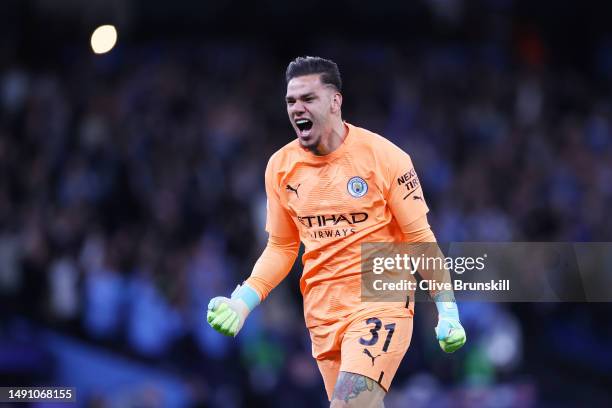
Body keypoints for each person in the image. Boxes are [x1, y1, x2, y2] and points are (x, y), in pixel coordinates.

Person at [207, 56, 466, 407]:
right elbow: (282, 248)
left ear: (335, 101)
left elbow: (419, 239)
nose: (297, 108)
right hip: (322, 314)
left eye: (308, 99)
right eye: (291, 101)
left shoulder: (385, 158)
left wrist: (447, 309)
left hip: (380, 304)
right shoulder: (280, 168)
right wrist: (242, 301)